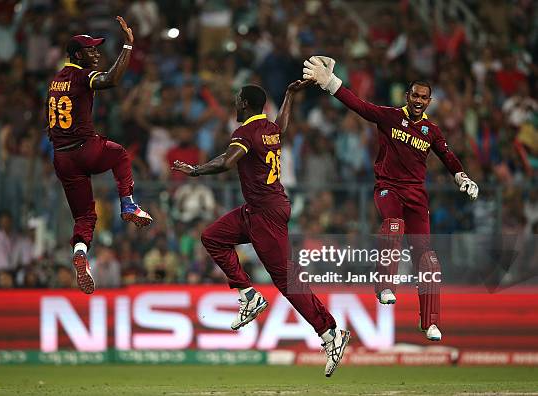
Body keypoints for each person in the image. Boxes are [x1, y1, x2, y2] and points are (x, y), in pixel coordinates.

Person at [172, 81, 350, 377]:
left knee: (287, 281)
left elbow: (228, 162)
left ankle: (330, 334)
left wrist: (195, 170)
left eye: (237, 99)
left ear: (244, 104)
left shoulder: (244, 132)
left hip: (266, 213)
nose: (235, 103)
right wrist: (290, 94)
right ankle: (248, 295)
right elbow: (282, 123)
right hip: (259, 209)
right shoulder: (269, 129)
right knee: (212, 236)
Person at [303, 56, 479, 341]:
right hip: (388, 188)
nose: (419, 100)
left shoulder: (431, 131)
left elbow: (447, 155)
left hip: (416, 196)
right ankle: (385, 285)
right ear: (407, 96)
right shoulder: (389, 116)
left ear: (429, 101)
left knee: (428, 259)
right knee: (393, 225)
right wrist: (331, 84)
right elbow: (359, 106)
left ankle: (430, 322)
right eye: (415, 95)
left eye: (424, 97)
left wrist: (462, 176)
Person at [46, 16, 152, 295]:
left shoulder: (55, 80)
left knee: (84, 217)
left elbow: (51, 123)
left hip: (62, 157)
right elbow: (111, 80)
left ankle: (81, 253)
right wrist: (128, 48)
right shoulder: (81, 75)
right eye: (91, 50)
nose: (96, 54)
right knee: (119, 155)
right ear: (77, 55)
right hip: (83, 149)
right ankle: (129, 205)